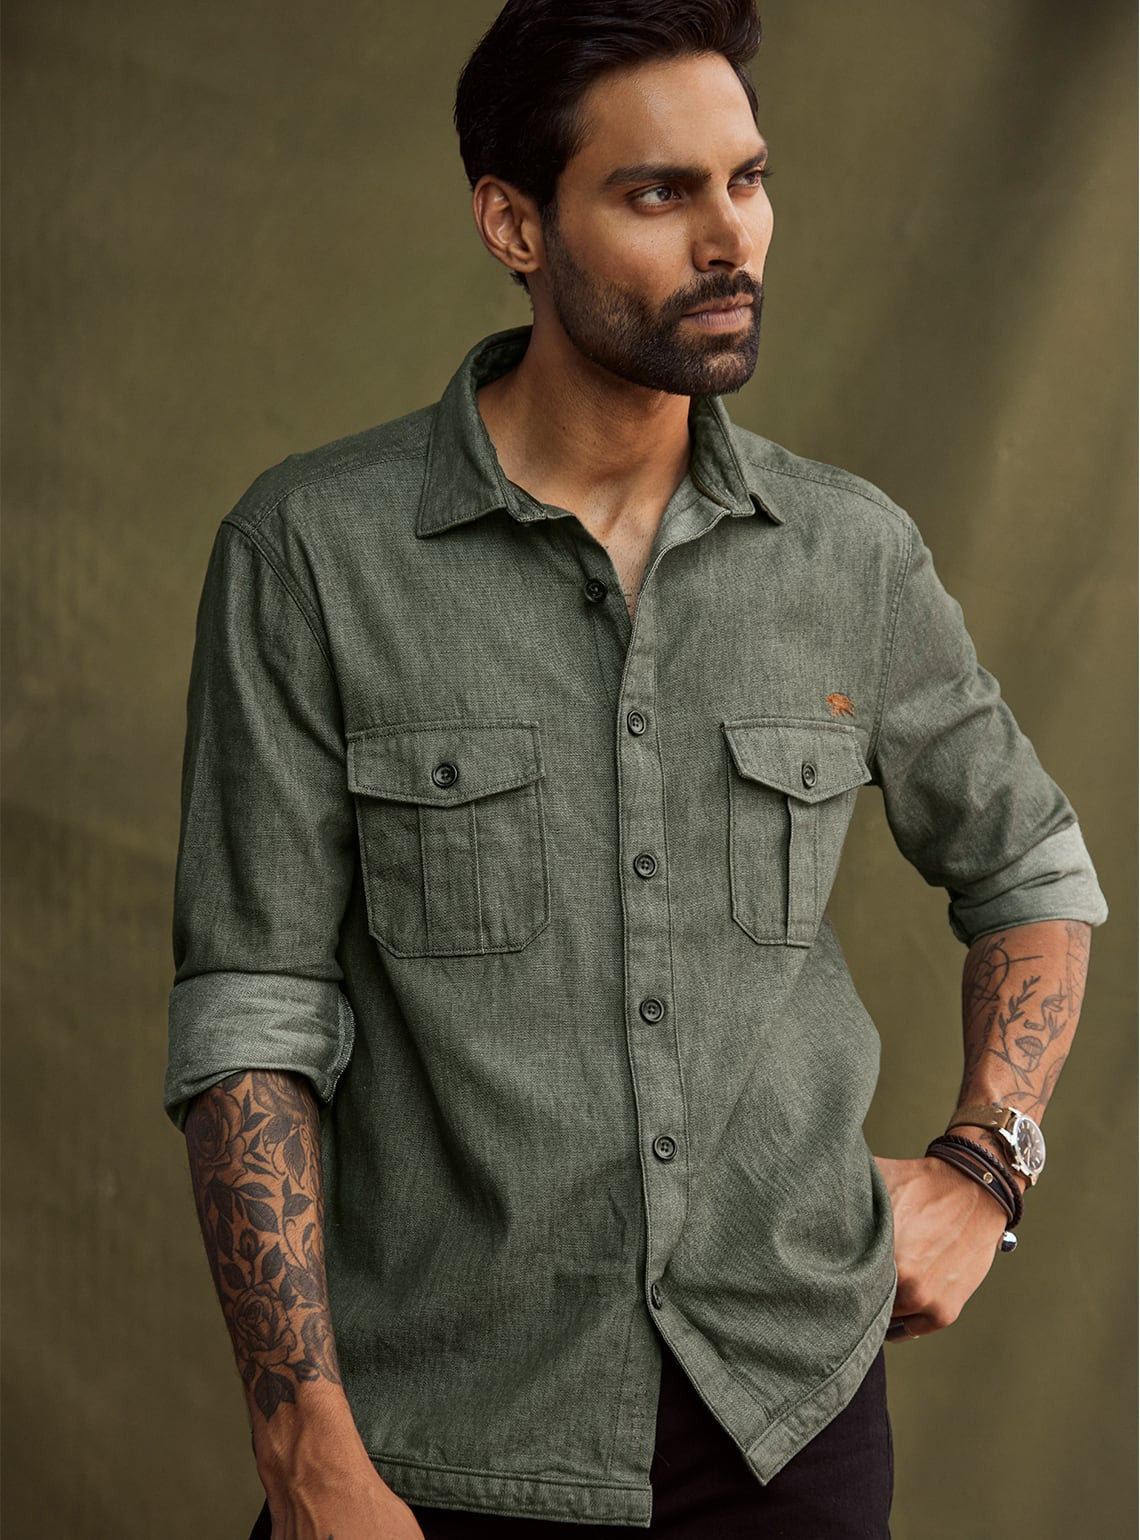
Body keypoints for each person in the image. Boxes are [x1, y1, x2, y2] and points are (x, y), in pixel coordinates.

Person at [163, 3, 1108, 1536]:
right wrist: (303, 1442)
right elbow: (250, 1019)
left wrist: (988, 1163)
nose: (731, 238)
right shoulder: (313, 557)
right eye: (659, 193)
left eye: (748, 179)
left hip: (786, 1426)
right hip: (438, 1438)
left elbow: (1031, 870)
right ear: (514, 224)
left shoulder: (848, 555)